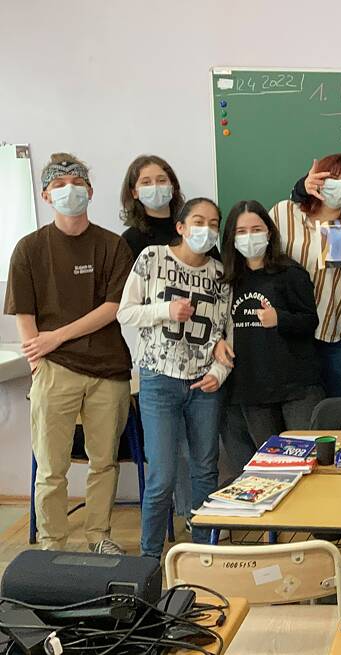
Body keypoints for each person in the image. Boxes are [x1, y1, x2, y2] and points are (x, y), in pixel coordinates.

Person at [5, 153, 133, 554]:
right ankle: (52, 544)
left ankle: (99, 536)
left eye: (76, 183)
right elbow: (23, 312)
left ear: (90, 191)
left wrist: (55, 337)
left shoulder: (113, 246)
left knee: (103, 462)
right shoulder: (28, 249)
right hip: (54, 370)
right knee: (51, 468)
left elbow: (113, 308)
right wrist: (38, 359)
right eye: (59, 186)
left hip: (108, 370)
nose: (69, 191)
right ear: (46, 195)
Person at [117, 197, 231, 559]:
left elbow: (225, 335)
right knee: (162, 477)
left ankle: (203, 552)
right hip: (159, 380)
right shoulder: (152, 258)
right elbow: (126, 313)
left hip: (203, 384)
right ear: (180, 227)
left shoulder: (220, 274)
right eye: (198, 221)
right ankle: (148, 559)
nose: (206, 230)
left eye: (214, 224)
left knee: (205, 470)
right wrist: (166, 310)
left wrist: (219, 372)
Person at [118, 153, 196, 529]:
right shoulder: (132, 242)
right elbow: (128, 307)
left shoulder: (193, 231)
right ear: (133, 191)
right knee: (165, 459)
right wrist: (165, 310)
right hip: (159, 360)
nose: (155, 187)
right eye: (146, 181)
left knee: (198, 455)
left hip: (199, 358)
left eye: (161, 178)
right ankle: (162, 540)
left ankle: (195, 523)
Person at [218, 200, 324, 447]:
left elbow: (310, 321)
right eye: (241, 231)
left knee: (308, 457)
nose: (249, 237)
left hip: (297, 387)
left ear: (269, 232)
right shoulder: (227, 278)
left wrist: (280, 319)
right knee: (272, 463)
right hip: (252, 389)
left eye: (256, 229)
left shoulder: (290, 273)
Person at [270, 154, 341, 397]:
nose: (340, 186)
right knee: (298, 409)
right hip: (291, 331)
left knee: (335, 409)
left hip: (337, 333)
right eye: (334, 177)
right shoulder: (285, 213)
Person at [119, 154, 186, 257]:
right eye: (146, 182)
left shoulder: (189, 230)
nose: (155, 186)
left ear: (172, 187)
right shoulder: (130, 239)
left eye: (162, 180)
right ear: (134, 193)